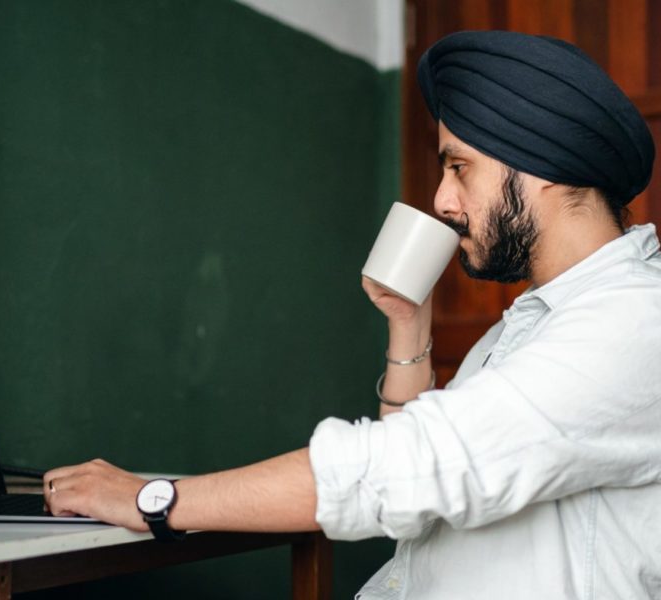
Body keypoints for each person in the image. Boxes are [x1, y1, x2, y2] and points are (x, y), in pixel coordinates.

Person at [44, 31, 661, 598]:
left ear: (545, 167)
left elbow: (405, 469)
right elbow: (421, 481)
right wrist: (408, 324)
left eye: (458, 166)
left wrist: (152, 499)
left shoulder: (633, 318)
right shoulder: (531, 323)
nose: (443, 199)